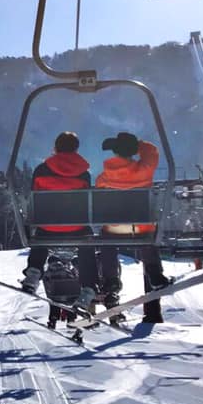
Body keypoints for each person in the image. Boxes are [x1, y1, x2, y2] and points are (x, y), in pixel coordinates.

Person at [95, 131, 170, 323]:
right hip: (140, 227)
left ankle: (111, 280)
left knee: (106, 242)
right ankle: (154, 276)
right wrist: (135, 144)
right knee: (148, 242)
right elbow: (152, 151)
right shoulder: (145, 170)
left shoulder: (104, 176)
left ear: (115, 151)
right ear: (133, 151)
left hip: (114, 229)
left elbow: (99, 195)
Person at [21, 131, 98, 311]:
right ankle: (88, 287)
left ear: (55, 148)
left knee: (40, 231)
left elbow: (35, 197)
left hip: (48, 226)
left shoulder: (41, 170)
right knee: (87, 240)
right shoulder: (83, 173)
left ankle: (34, 272)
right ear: (76, 149)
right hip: (76, 228)